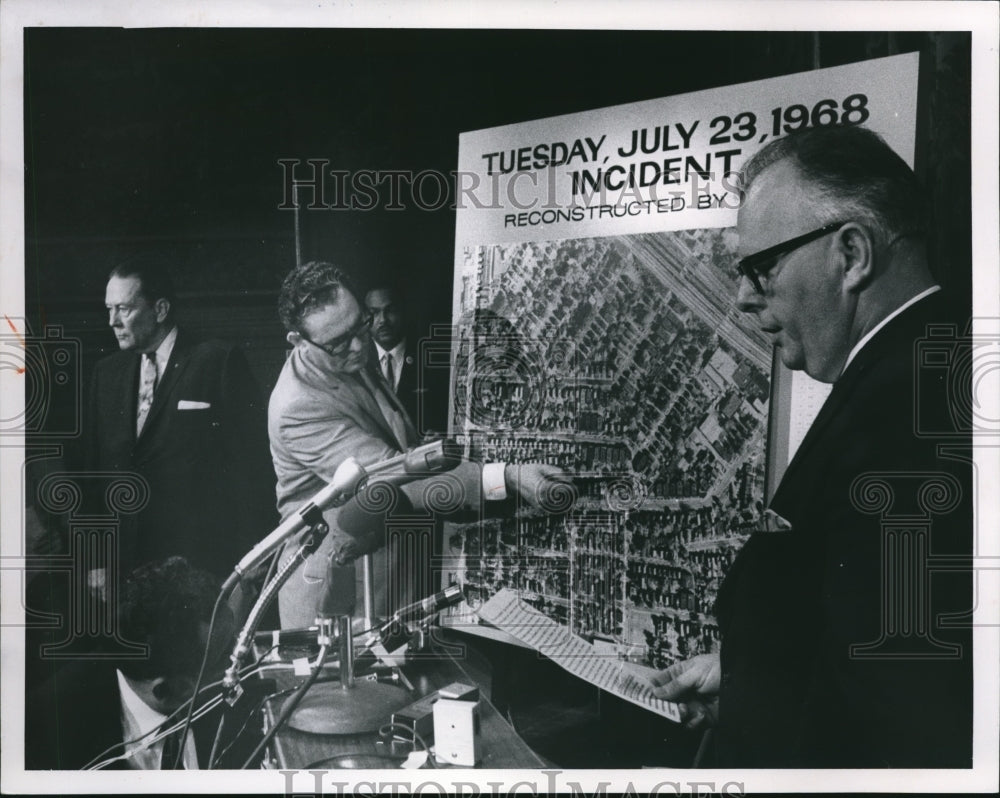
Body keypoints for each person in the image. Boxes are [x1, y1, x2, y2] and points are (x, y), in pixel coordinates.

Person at [650, 125, 972, 767]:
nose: (743, 297)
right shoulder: (928, 369)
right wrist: (746, 678)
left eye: (761, 267)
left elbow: (896, 719)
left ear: (852, 254)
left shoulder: (904, 415)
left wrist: (753, 705)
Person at [268, 260, 571, 627]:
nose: (360, 345)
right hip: (339, 596)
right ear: (297, 341)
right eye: (338, 342)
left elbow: (392, 443)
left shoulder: (346, 354)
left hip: (387, 573)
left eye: (360, 326)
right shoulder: (297, 407)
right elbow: (392, 477)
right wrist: (507, 476)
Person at [86, 259, 277, 593]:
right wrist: (97, 560)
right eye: (109, 309)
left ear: (160, 309)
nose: (112, 321)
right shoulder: (106, 374)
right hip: (125, 570)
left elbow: (253, 468)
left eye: (124, 309)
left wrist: (252, 558)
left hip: (202, 566)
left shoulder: (217, 361)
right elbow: (94, 473)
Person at [26, 557, 254, 769]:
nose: (244, 653)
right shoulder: (46, 737)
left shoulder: (246, 687)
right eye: (226, 655)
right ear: (168, 690)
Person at [364, 283, 447, 434]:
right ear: (364, 318)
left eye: (390, 311)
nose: (382, 320)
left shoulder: (430, 360)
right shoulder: (360, 363)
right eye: (374, 313)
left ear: (404, 313)